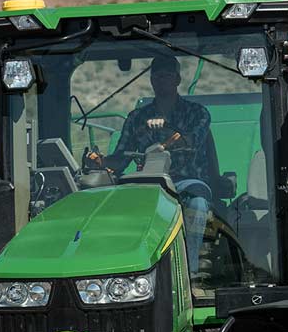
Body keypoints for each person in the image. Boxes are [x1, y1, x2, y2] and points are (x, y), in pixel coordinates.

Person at [91, 53, 220, 274]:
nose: (161, 80)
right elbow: (121, 158)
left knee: (197, 205)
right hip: (148, 184)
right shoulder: (136, 118)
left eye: (167, 75)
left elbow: (191, 139)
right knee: (117, 211)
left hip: (187, 182)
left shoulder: (197, 113)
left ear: (178, 80)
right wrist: (99, 161)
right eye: (157, 76)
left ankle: (190, 271)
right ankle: (126, 271)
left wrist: (164, 138)